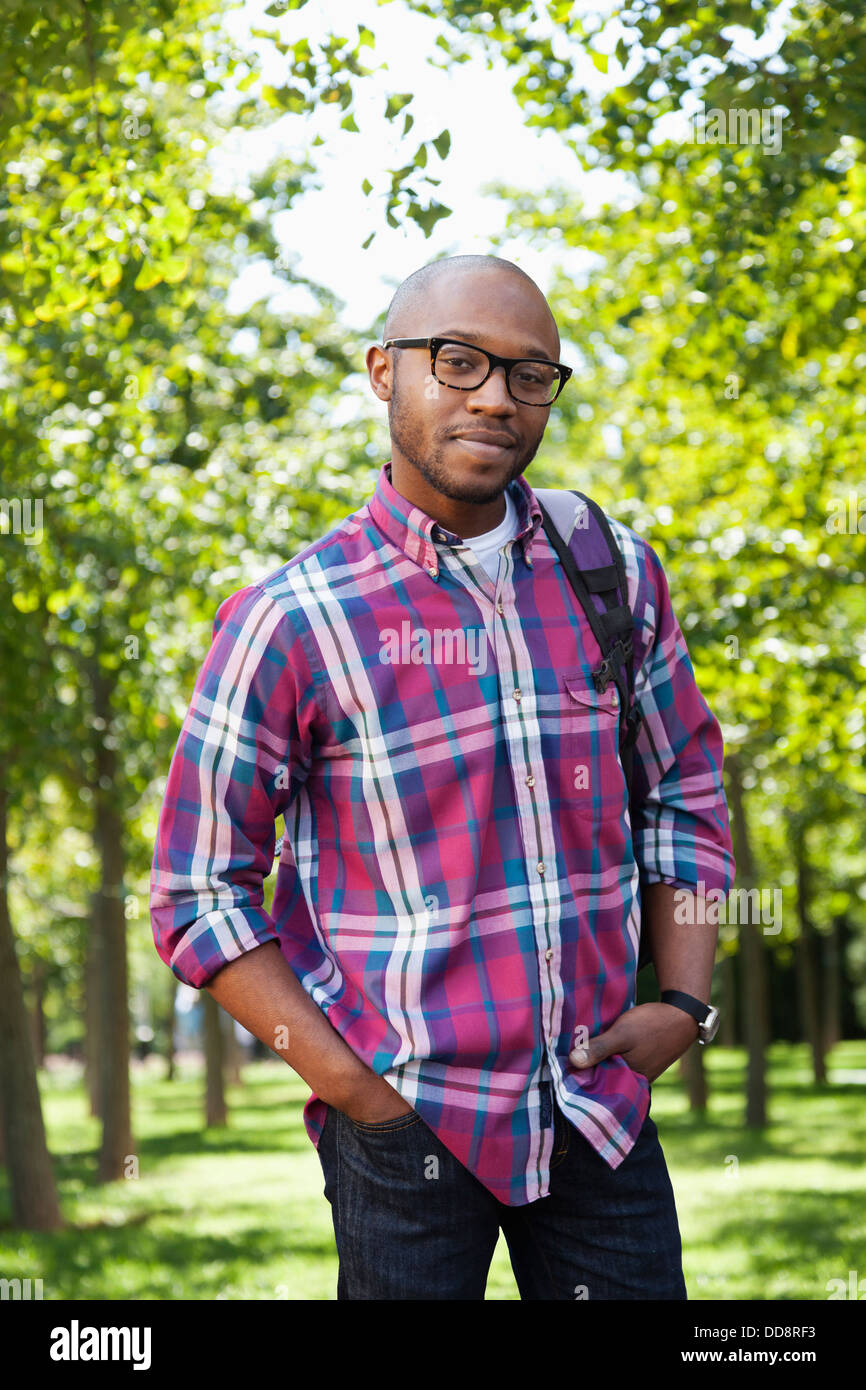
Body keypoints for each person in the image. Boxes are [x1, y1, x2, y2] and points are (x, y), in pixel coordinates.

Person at [150, 253, 735, 1300]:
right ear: (384, 371)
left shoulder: (614, 572)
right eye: (456, 362)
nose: (493, 398)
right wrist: (351, 1085)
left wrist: (684, 1001)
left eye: (528, 374)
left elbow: (685, 790)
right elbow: (198, 893)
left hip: (596, 1108)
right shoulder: (291, 620)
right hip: (405, 1127)